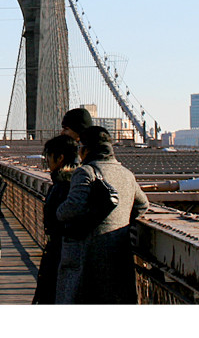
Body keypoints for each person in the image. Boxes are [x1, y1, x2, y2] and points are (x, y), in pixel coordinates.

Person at [55, 126, 149, 304]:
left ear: (86, 149)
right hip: (119, 254)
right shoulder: (127, 174)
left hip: (86, 255)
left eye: (79, 147)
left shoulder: (85, 172)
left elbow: (72, 207)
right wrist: (121, 222)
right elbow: (143, 205)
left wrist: (58, 211)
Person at [31, 134, 79, 304]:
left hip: (60, 255)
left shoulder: (63, 187)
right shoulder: (73, 184)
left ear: (60, 158)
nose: (47, 161)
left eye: (49, 157)